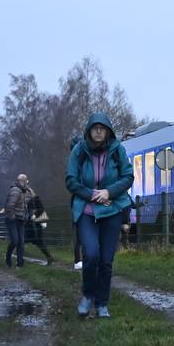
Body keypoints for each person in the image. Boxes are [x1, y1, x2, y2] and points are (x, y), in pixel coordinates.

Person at [67, 113, 134, 319]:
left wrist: (109, 192)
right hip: (87, 210)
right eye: (94, 127)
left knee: (106, 260)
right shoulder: (79, 151)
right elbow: (71, 181)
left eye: (102, 128)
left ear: (108, 131)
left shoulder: (117, 150)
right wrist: (93, 195)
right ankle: (88, 296)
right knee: (91, 254)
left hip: (112, 209)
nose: (98, 131)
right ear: (88, 130)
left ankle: (102, 303)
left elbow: (128, 176)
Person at [3, 173, 32, 267]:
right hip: (12, 219)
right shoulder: (15, 191)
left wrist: (28, 215)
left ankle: (20, 263)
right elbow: (9, 205)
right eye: (26, 181)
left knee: (21, 242)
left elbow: (27, 205)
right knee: (15, 241)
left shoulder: (27, 191)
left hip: (21, 219)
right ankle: (8, 256)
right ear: (22, 181)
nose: (27, 182)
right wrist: (12, 217)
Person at [25, 190, 54, 265]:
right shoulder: (26, 201)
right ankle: (19, 259)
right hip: (30, 224)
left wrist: (35, 215)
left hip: (37, 223)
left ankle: (49, 258)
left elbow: (41, 209)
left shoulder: (36, 199)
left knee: (39, 242)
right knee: (27, 240)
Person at [69, 135, 84, 271]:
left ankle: (78, 260)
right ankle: (78, 260)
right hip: (80, 201)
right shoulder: (77, 162)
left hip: (78, 201)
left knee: (80, 234)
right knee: (80, 234)